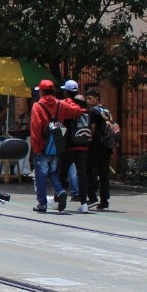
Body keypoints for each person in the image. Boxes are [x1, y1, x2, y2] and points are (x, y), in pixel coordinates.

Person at [28, 79, 83, 213]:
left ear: (41, 91)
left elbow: (35, 128)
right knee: (52, 172)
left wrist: (36, 148)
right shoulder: (61, 104)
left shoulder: (37, 106)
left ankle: (42, 204)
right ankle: (60, 191)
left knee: (40, 176)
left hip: (42, 145)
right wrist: (68, 99)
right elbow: (78, 110)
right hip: (56, 145)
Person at [57, 80, 92, 213]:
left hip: (69, 146)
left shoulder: (66, 105)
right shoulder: (84, 106)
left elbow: (61, 124)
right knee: (82, 175)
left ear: (66, 91)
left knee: (62, 173)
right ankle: (84, 203)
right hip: (83, 145)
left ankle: (58, 197)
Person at [84, 88, 115, 210]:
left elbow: (90, 129)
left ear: (97, 99)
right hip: (107, 146)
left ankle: (92, 196)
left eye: (90, 98)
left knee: (89, 170)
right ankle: (105, 201)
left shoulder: (93, 112)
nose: (88, 101)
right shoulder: (107, 111)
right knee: (104, 174)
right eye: (87, 99)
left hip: (95, 146)